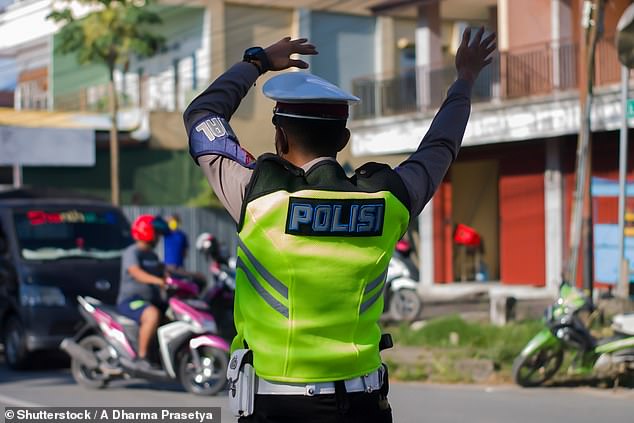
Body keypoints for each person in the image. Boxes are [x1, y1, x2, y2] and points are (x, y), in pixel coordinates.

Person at [184, 28, 495, 422]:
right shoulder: (389, 199)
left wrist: (257, 62)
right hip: (363, 405)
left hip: (278, 407)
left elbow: (202, 116)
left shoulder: (257, 196)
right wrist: (465, 79)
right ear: (344, 139)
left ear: (280, 138)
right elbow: (440, 146)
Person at [116, 214, 166, 370]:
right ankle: (141, 356)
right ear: (147, 232)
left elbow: (165, 271)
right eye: (156, 233)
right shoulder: (132, 252)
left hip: (151, 300)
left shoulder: (152, 255)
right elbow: (136, 272)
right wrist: (158, 281)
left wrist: (188, 277)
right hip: (131, 302)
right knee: (152, 314)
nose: (158, 237)